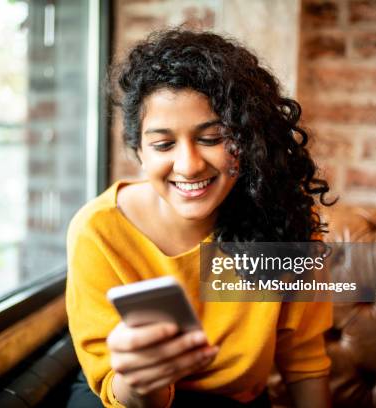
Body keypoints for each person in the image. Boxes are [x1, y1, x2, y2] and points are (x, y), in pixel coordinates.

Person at [65, 29, 335, 408]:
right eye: (163, 145)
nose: (189, 166)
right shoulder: (99, 230)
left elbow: (304, 359)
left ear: (248, 139)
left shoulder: (285, 219)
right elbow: (115, 387)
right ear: (139, 151)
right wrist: (143, 378)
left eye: (212, 138)